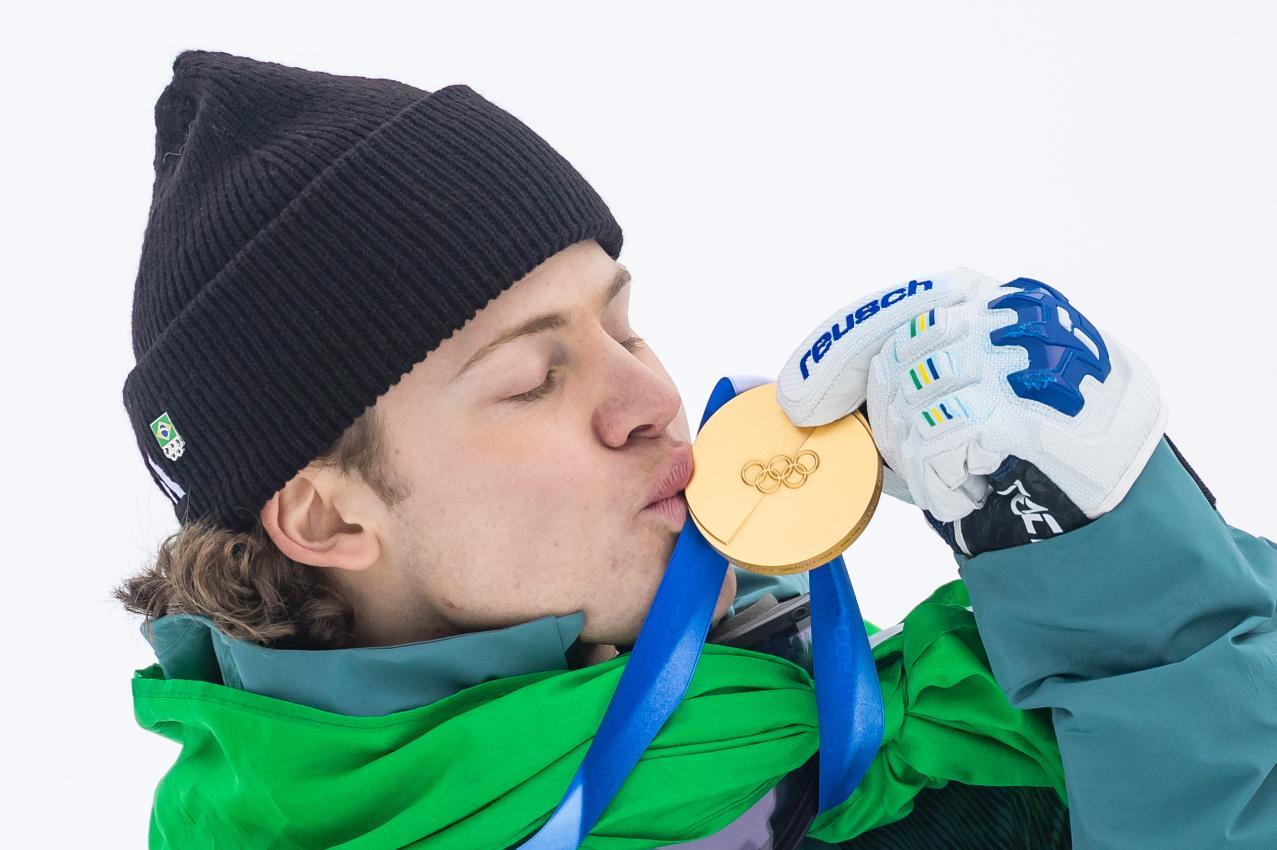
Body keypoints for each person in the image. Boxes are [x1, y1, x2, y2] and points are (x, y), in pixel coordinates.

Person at [117, 50, 1277, 849]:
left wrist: (1116, 573)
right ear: (325, 518)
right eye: (531, 379)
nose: (650, 395)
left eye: (622, 325)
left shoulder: (891, 730)